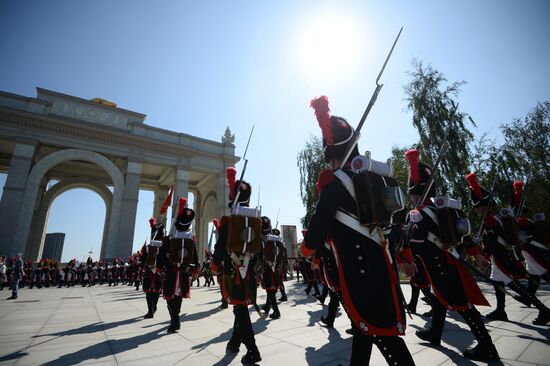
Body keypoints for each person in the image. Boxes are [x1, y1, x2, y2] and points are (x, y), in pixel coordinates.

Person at [302, 96, 414, 365]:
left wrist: (308, 250)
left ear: (333, 152)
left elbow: (319, 222)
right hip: (380, 260)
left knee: (379, 330)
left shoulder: (335, 184)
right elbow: (396, 222)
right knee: (364, 323)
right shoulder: (376, 177)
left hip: (358, 266)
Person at [467, 173, 550, 325]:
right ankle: (500, 310)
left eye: (476, 207)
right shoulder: (494, 217)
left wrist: (484, 255)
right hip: (500, 257)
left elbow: (491, 242)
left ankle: (543, 309)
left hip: (500, 257)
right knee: (497, 282)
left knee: (512, 284)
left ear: (481, 206)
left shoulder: (490, 220)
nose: (475, 210)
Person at [212, 167, 262, 364]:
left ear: (234, 197)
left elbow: (220, 246)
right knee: (239, 308)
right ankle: (234, 342)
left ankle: (253, 350)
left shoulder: (229, 221)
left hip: (234, 272)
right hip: (249, 273)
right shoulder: (256, 220)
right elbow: (261, 248)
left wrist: (215, 265)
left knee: (240, 311)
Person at [158, 198, 199, 333]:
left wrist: (159, 265)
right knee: (174, 296)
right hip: (178, 271)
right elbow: (195, 256)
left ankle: (175, 319)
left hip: (177, 271)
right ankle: (175, 319)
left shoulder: (173, 238)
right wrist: (194, 268)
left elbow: (162, 253)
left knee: (175, 296)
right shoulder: (183, 238)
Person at [513, 181, 550, 304]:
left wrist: (518, 257)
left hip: (534, 253)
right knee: (533, 276)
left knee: (544, 275)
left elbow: (521, 241)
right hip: (533, 253)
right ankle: (528, 298)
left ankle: (542, 311)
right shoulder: (527, 220)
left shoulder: (521, 222)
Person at [140, 217, 165, 319]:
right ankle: (150, 310)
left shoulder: (163, 246)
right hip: (149, 272)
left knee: (156, 291)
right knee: (148, 292)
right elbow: (143, 259)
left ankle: (153, 307)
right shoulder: (147, 247)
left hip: (158, 272)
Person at [260, 217, 281, 319]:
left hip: (268, 270)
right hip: (275, 269)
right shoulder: (276, 241)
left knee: (270, 291)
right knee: (271, 290)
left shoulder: (264, 242)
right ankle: (268, 307)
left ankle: (276, 312)